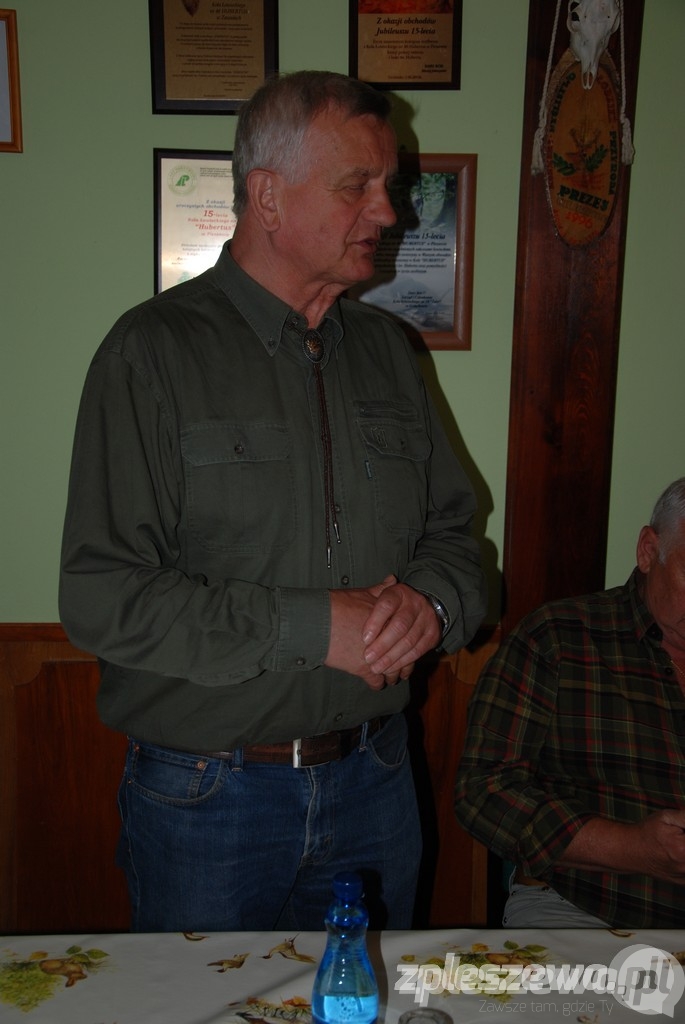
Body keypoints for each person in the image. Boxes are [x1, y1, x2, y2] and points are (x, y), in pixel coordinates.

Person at [59, 70, 487, 933]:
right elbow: (102, 596)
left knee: (367, 996)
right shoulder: (150, 352)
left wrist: (433, 604)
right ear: (268, 196)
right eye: (357, 185)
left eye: (389, 186)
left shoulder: (388, 351)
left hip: (376, 781)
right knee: (204, 1001)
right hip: (208, 797)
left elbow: (458, 535)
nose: (388, 213)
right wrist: (314, 626)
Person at [455, 478, 685, 929]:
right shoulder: (558, 639)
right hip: (582, 909)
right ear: (648, 551)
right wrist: (633, 848)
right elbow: (482, 792)